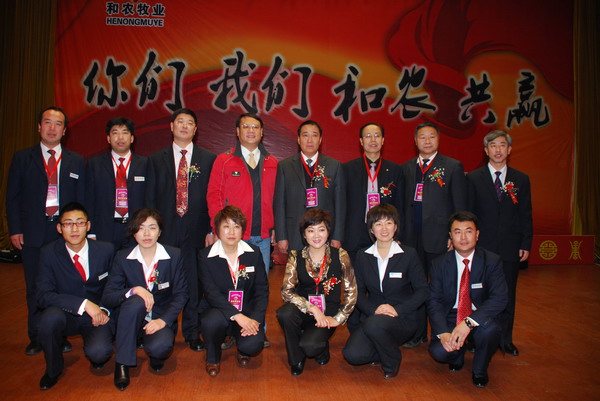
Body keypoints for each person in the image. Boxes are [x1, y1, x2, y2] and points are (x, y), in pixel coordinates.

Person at [6, 106, 85, 355]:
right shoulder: (23, 158)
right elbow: (12, 197)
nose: (52, 128)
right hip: (32, 232)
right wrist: (15, 229)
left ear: (65, 130)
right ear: (39, 127)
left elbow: (82, 200)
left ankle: (60, 334)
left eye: (58, 124)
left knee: (64, 286)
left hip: (66, 235)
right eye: (48, 122)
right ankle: (37, 335)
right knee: (35, 286)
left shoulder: (76, 161)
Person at [146, 108, 216, 352]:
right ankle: (163, 330)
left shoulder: (208, 159)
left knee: (194, 284)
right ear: (171, 126)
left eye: (189, 123)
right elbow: (150, 198)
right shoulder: (155, 159)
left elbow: (212, 197)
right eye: (180, 122)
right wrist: (151, 230)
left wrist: (211, 228)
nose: (184, 126)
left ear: (195, 129)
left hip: (197, 232)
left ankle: (192, 332)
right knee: (164, 284)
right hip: (164, 232)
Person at [102, 208, 189, 391]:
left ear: (160, 231)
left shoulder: (174, 255)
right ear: (134, 232)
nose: (147, 234)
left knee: (160, 348)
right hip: (130, 320)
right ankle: (122, 363)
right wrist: (133, 290)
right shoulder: (123, 257)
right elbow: (108, 297)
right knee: (136, 300)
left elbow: (181, 294)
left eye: (152, 227)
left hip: (159, 318)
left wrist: (163, 321)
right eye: (141, 228)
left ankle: (155, 353)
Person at [399, 122, 467, 347]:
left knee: (441, 288)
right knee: (415, 287)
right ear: (415, 141)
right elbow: (402, 204)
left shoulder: (452, 166)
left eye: (431, 137)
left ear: (438, 140)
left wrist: (453, 235)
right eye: (422, 137)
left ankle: (441, 334)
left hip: (440, 238)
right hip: (411, 238)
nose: (427, 141)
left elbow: (459, 206)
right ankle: (417, 333)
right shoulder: (407, 167)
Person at [342, 204, 428, 379]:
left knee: (375, 325)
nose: (384, 229)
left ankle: (392, 361)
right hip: (373, 316)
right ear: (371, 229)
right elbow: (357, 292)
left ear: (395, 227)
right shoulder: (363, 255)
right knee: (353, 355)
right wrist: (374, 310)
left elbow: (423, 290)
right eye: (378, 224)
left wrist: (397, 309)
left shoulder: (409, 254)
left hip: (402, 318)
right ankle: (382, 348)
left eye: (388, 223)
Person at [467, 130, 532, 356]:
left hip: (509, 246)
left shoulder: (521, 179)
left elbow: (526, 213)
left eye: (502, 145)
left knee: (507, 294)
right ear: (486, 150)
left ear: (509, 149)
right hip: (481, 247)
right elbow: (469, 214)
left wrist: (526, 242)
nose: (498, 149)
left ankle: (505, 340)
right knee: (477, 294)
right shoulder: (473, 178)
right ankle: (475, 337)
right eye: (493, 145)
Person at [36, 202, 114, 390]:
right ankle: (53, 369)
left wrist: (104, 310)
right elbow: (43, 295)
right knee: (48, 319)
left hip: (97, 316)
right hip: (65, 314)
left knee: (100, 354)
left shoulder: (106, 250)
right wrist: (84, 304)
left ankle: (93, 347)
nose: (74, 229)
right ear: (59, 228)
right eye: (68, 223)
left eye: (79, 223)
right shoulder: (48, 253)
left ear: (88, 226)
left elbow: (114, 287)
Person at [427, 211, 507, 388]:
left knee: (490, 331)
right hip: (451, 315)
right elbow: (433, 301)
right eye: (457, 232)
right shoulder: (439, 263)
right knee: (440, 352)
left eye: (468, 231)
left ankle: (479, 369)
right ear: (450, 236)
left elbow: (499, 298)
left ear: (477, 234)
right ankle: (457, 354)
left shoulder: (491, 261)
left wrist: (469, 322)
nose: (463, 237)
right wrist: (443, 333)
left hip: (478, 316)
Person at [276, 208, 356, 376]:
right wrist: (311, 308)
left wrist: (338, 318)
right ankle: (296, 359)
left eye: (321, 229)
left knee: (310, 347)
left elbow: (351, 291)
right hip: (304, 310)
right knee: (285, 314)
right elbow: (286, 291)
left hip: (328, 313)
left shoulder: (341, 255)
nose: (316, 235)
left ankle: (320, 346)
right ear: (304, 235)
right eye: (311, 231)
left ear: (328, 232)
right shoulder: (295, 256)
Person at [198, 206, 269, 377]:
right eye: (226, 226)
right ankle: (213, 357)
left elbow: (262, 290)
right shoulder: (205, 256)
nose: (231, 232)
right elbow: (211, 293)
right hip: (218, 310)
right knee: (211, 322)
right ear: (217, 230)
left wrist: (255, 320)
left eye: (236, 226)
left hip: (247, 310)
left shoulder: (253, 253)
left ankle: (243, 349)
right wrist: (237, 316)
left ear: (242, 230)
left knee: (253, 345)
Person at [274, 120, 346, 253]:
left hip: (324, 233)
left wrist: (337, 236)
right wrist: (281, 236)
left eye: (314, 135)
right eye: (305, 135)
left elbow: (340, 205)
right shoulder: (285, 166)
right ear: (298, 139)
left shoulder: (334, 166)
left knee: (324, 266)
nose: (310, 140)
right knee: (297, 266)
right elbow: (279, 204)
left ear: (320, 140)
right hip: (294, 232)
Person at [343, 122, 403, 263]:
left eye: (377, 135)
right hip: (355, 234)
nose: (373, 139)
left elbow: (400, 205)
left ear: (383, 140)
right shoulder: (347, 169)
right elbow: (342, 204)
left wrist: (398, 235)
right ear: (361, 141)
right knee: (356, 275)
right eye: (368, 136)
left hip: (385, 233)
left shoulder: (395, 170)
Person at [86, 117, 147, 250]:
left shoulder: (145, 164)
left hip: (136, 229)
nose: (120, 137)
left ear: (132, 138)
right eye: (115, 133)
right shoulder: (94, 164)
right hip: (104, 229)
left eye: (125, 132)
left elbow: (149, 199)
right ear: (108, 138)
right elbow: (89, 200)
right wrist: (90, 232)